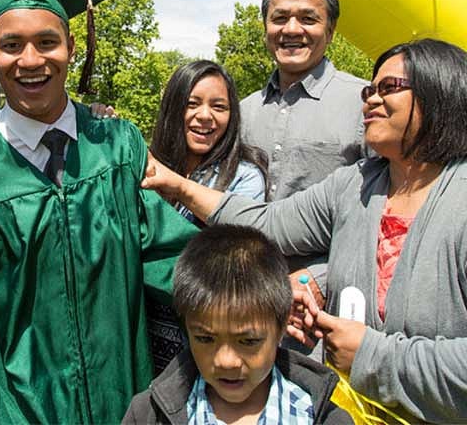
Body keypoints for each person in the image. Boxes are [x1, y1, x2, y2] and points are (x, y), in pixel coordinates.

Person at [0, 0, 199, 424]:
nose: (31, 60)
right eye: (11, 45)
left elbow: (170, 255)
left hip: (124, 399)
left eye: (47, 42)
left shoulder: (117, 146)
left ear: (72, 49)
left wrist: (251, 284)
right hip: (19, 405)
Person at [142, 38, 467, 423]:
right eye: (369, 90)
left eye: (389, 88)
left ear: (441, 91)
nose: (370, 100)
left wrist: (372, 356)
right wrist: (178, 185)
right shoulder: (355, 184)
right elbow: (269, 224)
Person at [240, 0, 368, 326]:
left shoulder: (366, 105)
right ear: (265, 25)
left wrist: (321, 278)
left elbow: (385, 217)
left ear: (330, 29)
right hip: (246, 302)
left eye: (308, 18)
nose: (291, 29)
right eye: (280, 18)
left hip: (324, 313)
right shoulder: (240, 112)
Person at [123, 225, 351, 425]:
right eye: (205, 338)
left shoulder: (318, 416)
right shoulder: (148, 414)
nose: (227, 361)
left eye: (248, 341)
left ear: (281, 327)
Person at [147, 60, 267, 372]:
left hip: (204, 343)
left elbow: (236, 253)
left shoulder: (245, 176)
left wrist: (177, 187)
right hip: (142, 335)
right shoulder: (147, 164)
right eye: (192, 104)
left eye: (219, 107)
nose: (205, 116)